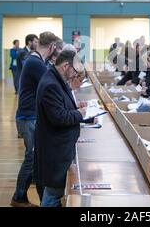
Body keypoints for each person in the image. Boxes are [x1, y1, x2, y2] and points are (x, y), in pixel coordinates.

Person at [34, 50, 88, 207]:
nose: (75, 76)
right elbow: (59, 118)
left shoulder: (54, 78)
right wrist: (80, 113)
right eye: (75, 72)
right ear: (66, 66)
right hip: (55, 150)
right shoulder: (51, 84)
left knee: (54, 192)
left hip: (58, 147)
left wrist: (74, 105)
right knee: (53, 194)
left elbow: (59, 106)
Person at [10, 32, 57, 208]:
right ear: (51, 47)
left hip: (30, 116)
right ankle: (18, 197)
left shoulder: (37, 61)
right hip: (27, 117)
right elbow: (52, 85)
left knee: (36, 158)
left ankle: (43, 197)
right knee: (31, 158)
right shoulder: (35, 62)